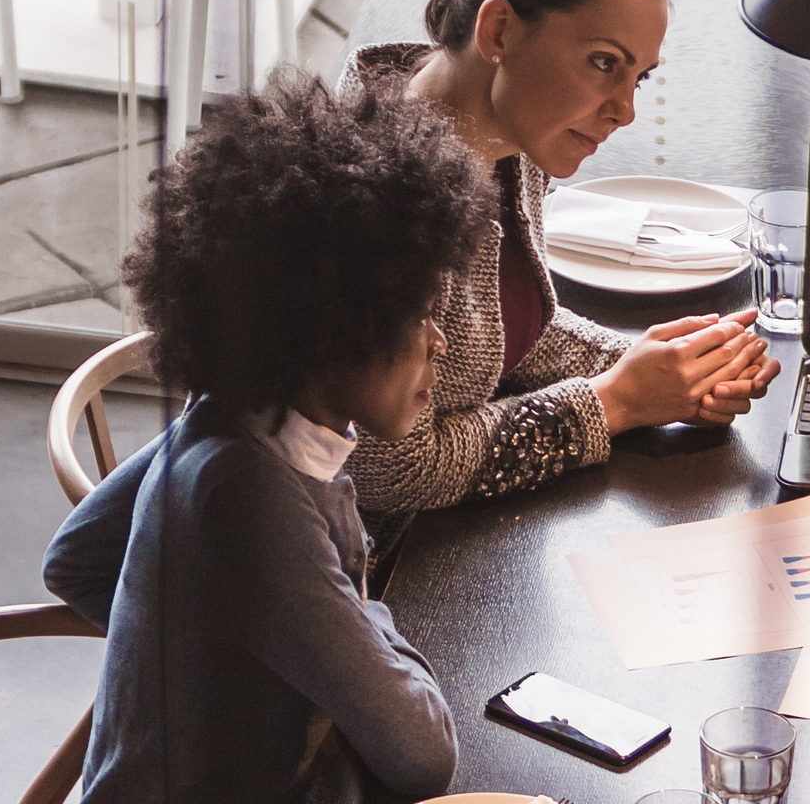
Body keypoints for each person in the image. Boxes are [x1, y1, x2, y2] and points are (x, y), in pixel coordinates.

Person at [42, 76, 486, 803]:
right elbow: (423, 755)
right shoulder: (249, 497)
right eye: (416, 312)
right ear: (335, 324)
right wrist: (356, 612)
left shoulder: (221, 418)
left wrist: (218, 657)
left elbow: (77, 560)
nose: (439, 341)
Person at [342, 0, 779, 518]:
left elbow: (501, 337)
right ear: (498, 32)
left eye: (639, 77)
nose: (625, 110)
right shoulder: (375, 213)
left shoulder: (505, 131)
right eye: (604, 63)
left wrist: (650, 370)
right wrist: (613, 403)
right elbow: (391, 472)